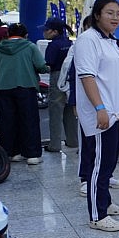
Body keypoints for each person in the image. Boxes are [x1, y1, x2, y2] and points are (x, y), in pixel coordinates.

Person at [74, 0, 119, 232]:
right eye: (110, 13)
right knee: (98, 166)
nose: (115, 18)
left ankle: (106, 203)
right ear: (97, 15)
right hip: (102, 113)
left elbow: (117, 78)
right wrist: (100, 108)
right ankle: (97, 215)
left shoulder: (111, 42)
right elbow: (87, 77)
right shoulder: (88, 40)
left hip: (116, 111)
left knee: (108, 164)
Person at [0, 23, 49, 165]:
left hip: (2, 88)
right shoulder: (30, 47)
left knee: (6, 121)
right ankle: (32, 155)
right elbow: (40, 65)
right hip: (26, 86)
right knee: (29, 120)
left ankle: (11, 152)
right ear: (25, 35)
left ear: (8, 34)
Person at [42, 17, 77, 152]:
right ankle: (73, 141)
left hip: (57, 76)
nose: (44, 32)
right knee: (70, 110)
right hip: (71, 78)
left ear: (54, 32)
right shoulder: (69, 43)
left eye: (46, 30)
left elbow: (49, 64)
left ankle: (55, 144)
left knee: (56, 111)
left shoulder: (53, 45)